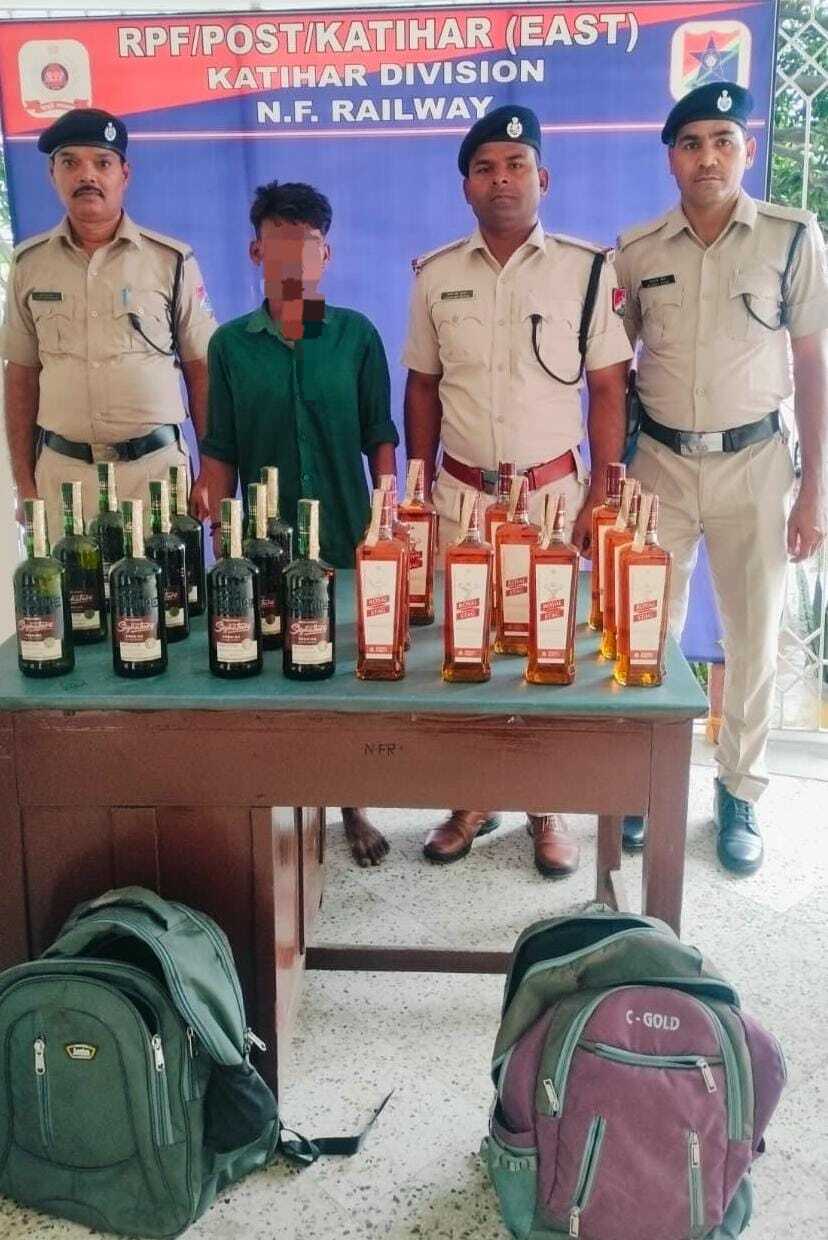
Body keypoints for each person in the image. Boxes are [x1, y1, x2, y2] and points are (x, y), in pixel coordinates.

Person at [403, 105, 631, 874]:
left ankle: (544, 806)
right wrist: (416, 490)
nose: (501, 179)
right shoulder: (436, 275)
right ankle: (470, 800)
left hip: (551, 497)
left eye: (516, 165)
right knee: (465, 648)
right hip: (462, 497)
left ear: (543, 178)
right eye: (484, 168)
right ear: (465, 186)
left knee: (544, 651)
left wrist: (601, 496)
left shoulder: (587, 269)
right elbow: (422, 387)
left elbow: (608, 389)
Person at [614, 81, 828, 873]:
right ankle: (645, 783)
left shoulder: (791, 237)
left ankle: (739, 788)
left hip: (755, 463)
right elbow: (611, 366)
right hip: (660, 465)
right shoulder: (637, 249)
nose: (708, 158)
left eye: (724, 142)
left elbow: (813, 363)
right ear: (671, 158)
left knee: (752, 634)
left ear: (748, 151)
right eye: (691, 144)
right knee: (644, 630)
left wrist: (815, 491)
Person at [194, 180, 400, 867]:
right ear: (256, 251)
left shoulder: (355, 336)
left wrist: (386, 517)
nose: (293, 258)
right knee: (271, 669)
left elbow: (379, 436)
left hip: (344, 534)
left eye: (306, 245)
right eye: (278, 243)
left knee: (339, 672)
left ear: (326, 254)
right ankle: (277, 800)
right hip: (263, 544)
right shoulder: (230, 346)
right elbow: (221, 447)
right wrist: (219, 528)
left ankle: (351, 804)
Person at [1, 108, 215, 540]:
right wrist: (24, 483)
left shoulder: (170, 261)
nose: (87, 175)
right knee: (69, 586)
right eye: (70, 163)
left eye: (102, 163)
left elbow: (202, 371)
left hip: (155, 476)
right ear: (52, 174)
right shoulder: (29, 265)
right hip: (63, 479)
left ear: (124, 174)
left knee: (166, 587)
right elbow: (20, 377)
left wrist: (211, 470)